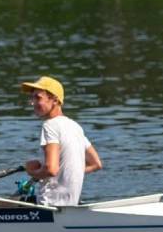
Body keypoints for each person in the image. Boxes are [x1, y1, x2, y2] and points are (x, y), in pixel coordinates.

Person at [20, 76, 102, 205]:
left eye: (38, 98)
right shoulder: (75, 126)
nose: (32, 103)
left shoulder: (50, 126)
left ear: (54, 100)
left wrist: (32, 171)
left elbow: (51, 169)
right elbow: (96, 164)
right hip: (70, 204)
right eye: (32, 98)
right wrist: (66, 171)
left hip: (49, 204)